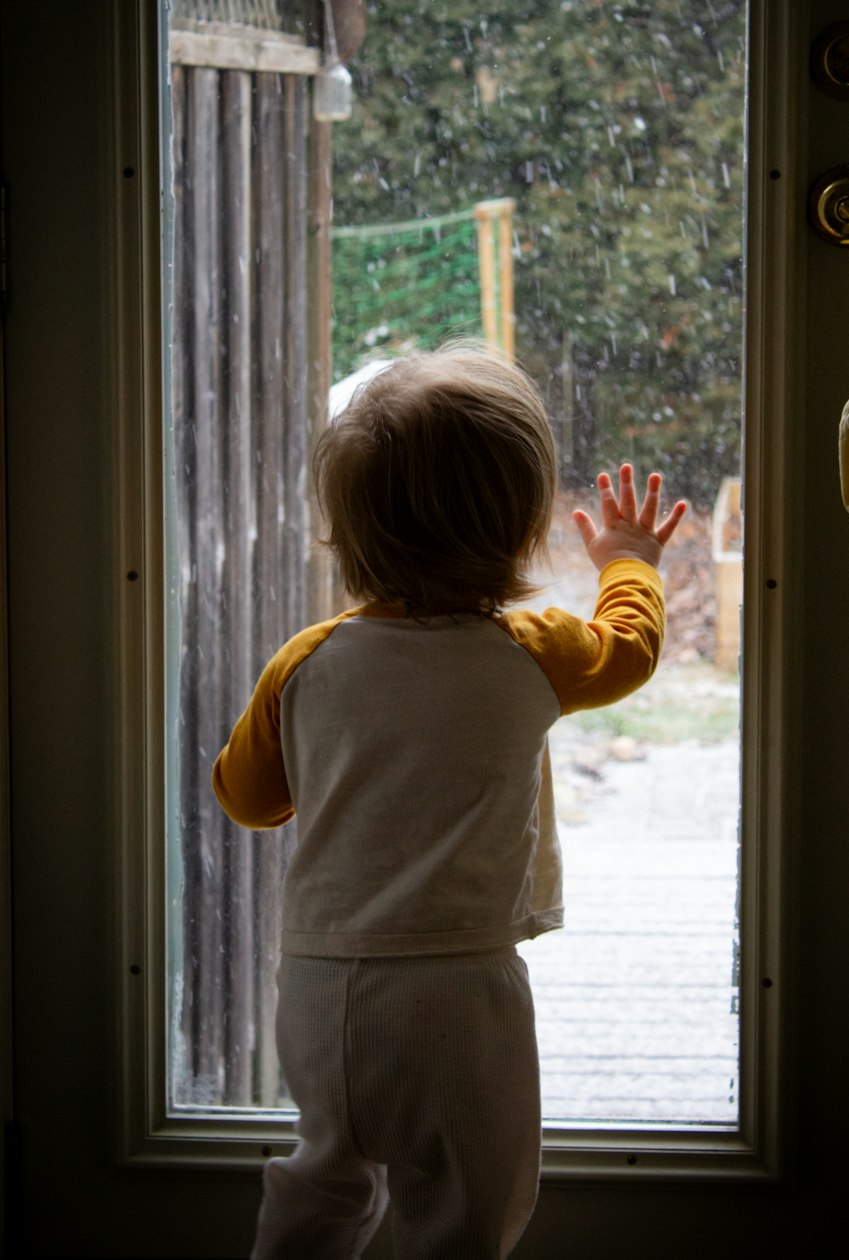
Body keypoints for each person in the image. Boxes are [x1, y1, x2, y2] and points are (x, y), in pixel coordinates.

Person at [213, 345, 687, 1260]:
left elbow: (247, 797)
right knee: (465, 1211)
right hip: (462, 993)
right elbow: (629, 648)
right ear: (518, 529)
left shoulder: (307, 661)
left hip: (321, 986)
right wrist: (629, 560)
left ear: (348, 532)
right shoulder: (533, 647)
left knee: (322, 1178)